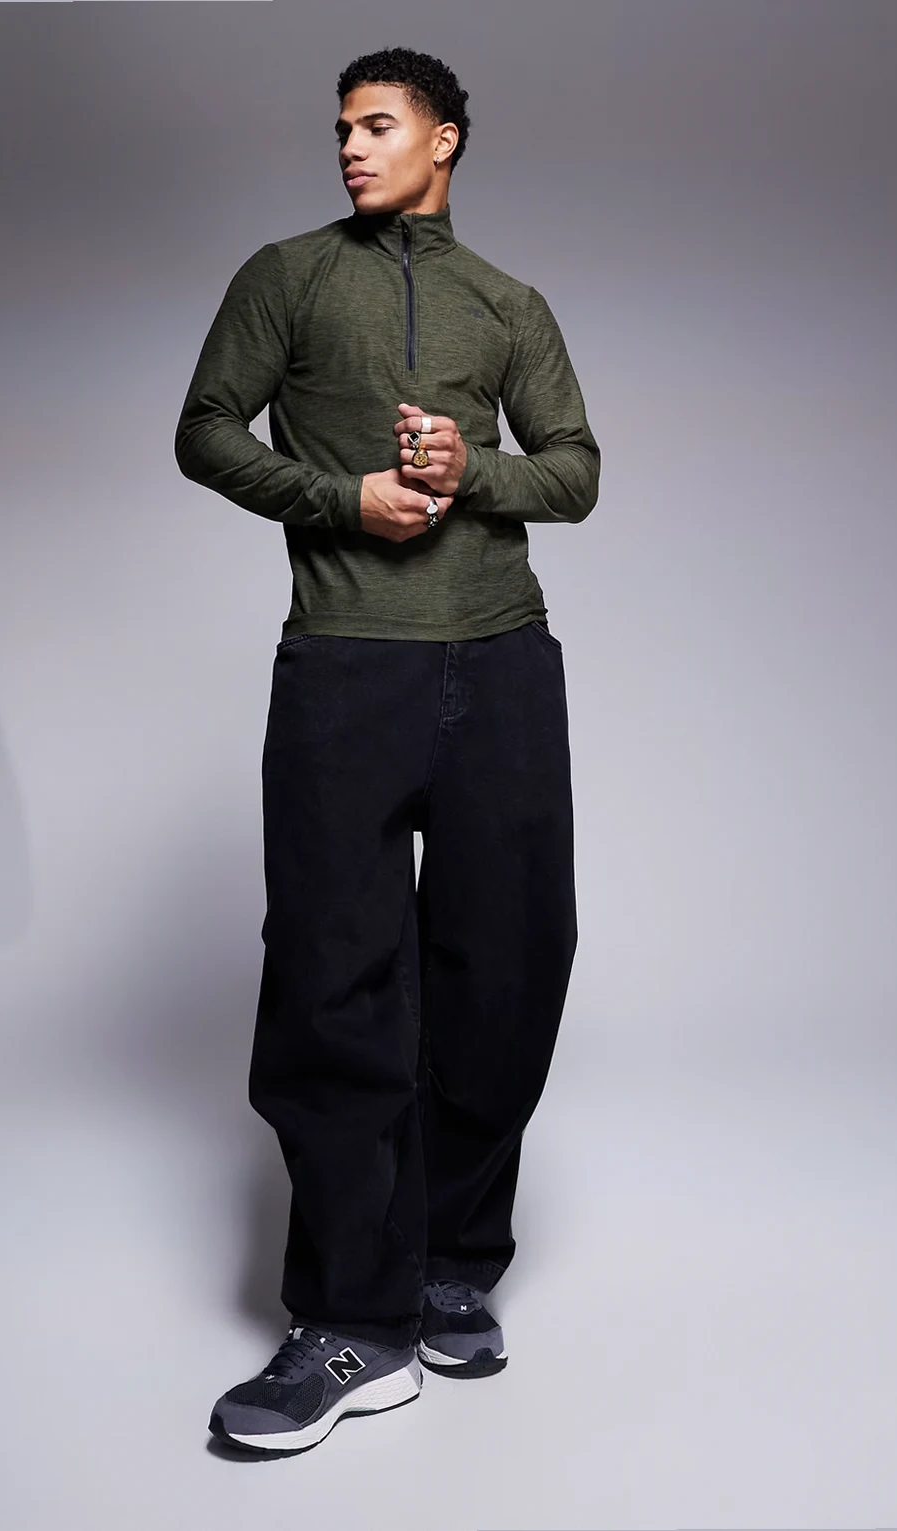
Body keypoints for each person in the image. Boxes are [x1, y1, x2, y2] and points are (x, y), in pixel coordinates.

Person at [174, 45, 600, 1457]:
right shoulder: (288, 277)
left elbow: (576, 470)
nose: (352, 148)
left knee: (507, 965)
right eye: (342, 129)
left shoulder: (509, 304)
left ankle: (451, 1263)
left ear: (445, 140)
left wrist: (469, 473)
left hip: (504, 663)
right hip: (346, 665)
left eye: (378, 125)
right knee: (334, 982)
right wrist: (342, 499)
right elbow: (204, 432)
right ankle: (353, 1320)